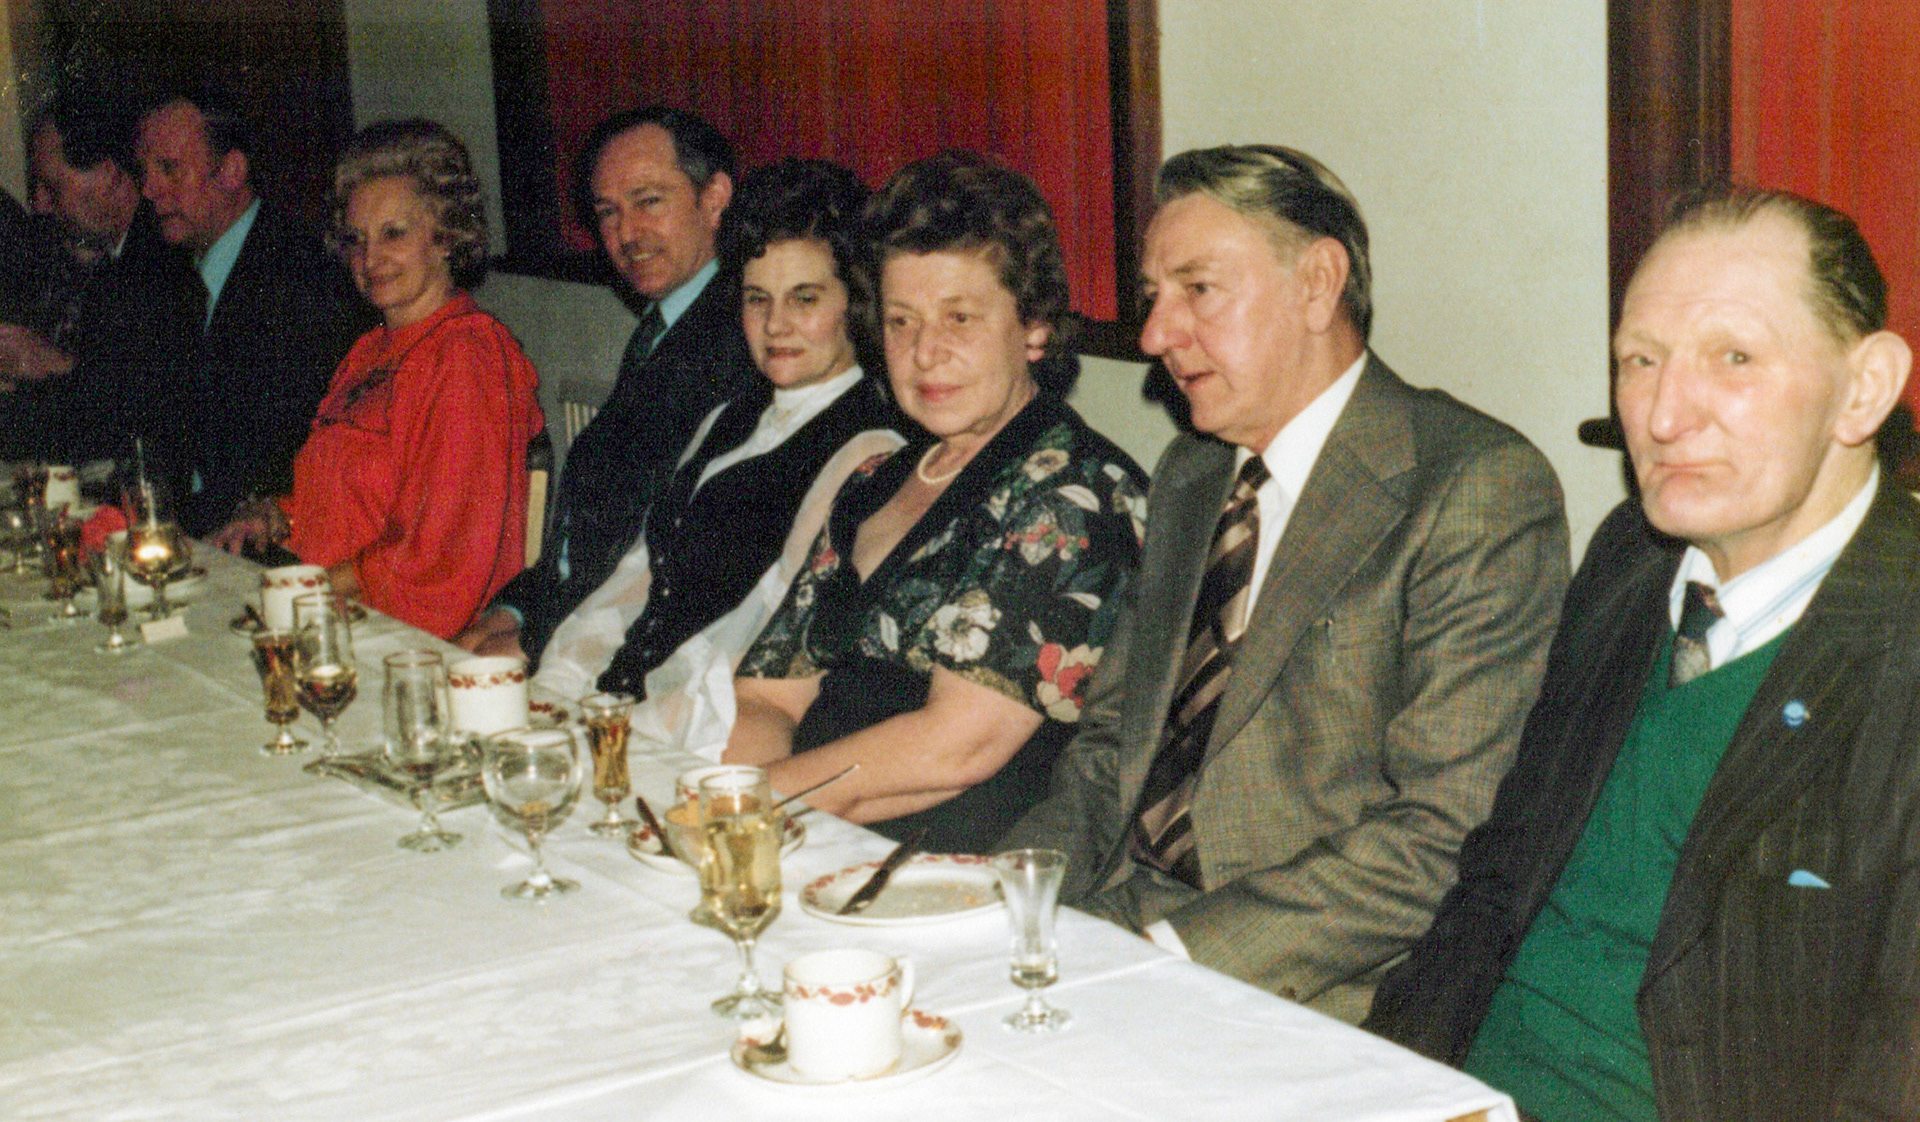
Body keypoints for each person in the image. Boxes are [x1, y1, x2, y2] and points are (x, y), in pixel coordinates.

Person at [1363, 189, 1920, 1118]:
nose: (1662, 417)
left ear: (1863, 389)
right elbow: (1497, 877)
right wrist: (1380, 1084)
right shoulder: (1630, 557)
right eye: (1639, 361)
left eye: (1732, 358)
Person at [998, 145, 1570, 1023]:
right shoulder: (1196, 474)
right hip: (1113, 924)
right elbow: (1112, 745)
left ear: (1317, 283)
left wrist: (1167, 959)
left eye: (1198, 289)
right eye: (1154, 298)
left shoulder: (1471, 488)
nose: (1154, 335)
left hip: (1300, 982)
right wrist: (1007, 898)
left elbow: (1441, 834)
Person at [724, 151, 1147, 855]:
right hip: (816, 835)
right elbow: (768, 694)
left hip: (962, 867)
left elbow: (955, 748)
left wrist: (753, 809)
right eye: (900, 322)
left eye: (960, 318)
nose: (925, 353)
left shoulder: (1076, 493)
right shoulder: (877, 481)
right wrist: (739, 808)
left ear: (1035, 326)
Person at [532, 158, 902, 750]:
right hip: (623, 704)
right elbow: (640, 572)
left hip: (705, 730)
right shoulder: (732, 413)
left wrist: (626, 729)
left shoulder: (868, 451)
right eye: (758, 299)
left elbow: (757, 632)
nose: (776, 324)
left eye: (804, 298)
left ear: (853, 303)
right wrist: (561, 684)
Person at [210, 120, 543, 640]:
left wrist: (309, 588)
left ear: (448, 235)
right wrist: (276, 515)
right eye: (356, 240)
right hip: (331, 613)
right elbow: (348, 498)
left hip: (403, 639)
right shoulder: (370, 349)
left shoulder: (466, 356)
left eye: (395, 233)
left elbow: (443, 555)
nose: (370, 260)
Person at [455, 106, 757, 662]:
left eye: (648, 202)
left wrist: (538, 635)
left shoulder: (740, 338)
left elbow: (671, 556)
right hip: (572, 608)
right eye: (608, 213)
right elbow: (590, 530)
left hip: (642, 643)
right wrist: (517, 608)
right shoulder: (663, 325)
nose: (626, 234)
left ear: (714, 197)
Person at [136, 79, 373, 535]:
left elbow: (276, 461)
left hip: (275, 539)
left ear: (231, 171)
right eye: (145, 171)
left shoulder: (300, 276)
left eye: (168, 169)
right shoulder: (176, 276)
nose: (149, 189)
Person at [0, 87, 202, 465]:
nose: (39, 205)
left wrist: (53, 363)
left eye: (51, 188)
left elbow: (146, 422)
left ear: (108, 176)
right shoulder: (114, 258)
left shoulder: (163, 257)